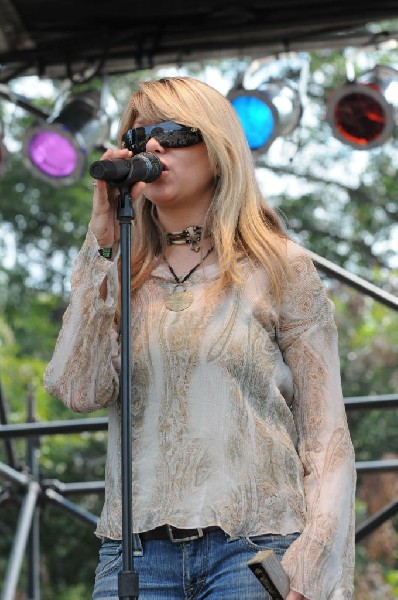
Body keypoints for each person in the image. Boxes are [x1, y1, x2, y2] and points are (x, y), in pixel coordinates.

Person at [44, 76, 356, 600]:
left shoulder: (280, 267)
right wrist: (100, 243)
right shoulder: (120, 270)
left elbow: (327, 437)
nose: (155, 147)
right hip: (135, 558)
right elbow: (78, 390)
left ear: (218, 148)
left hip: (253, 551)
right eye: (140, 137)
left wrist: (312, 564)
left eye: (172, 132)